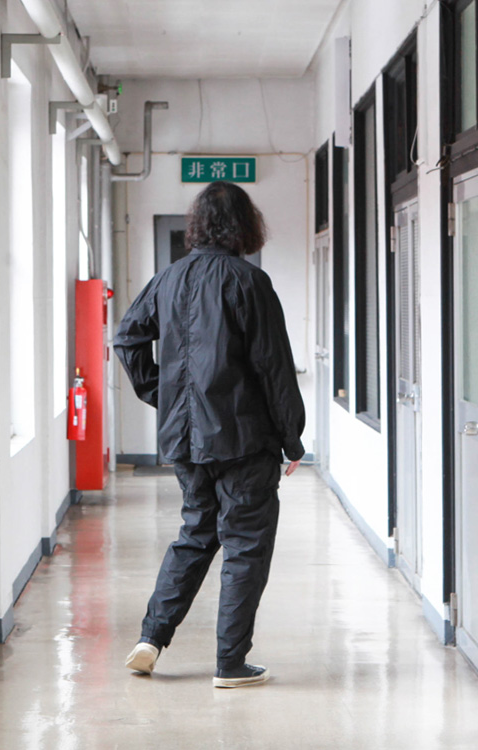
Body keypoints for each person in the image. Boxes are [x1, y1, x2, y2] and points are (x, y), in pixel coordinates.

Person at [113, 180, 305, 688]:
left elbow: (128, 339)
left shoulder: (167, 279)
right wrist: (292, 438)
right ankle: (230, 663)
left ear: (197, 225)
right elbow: (274, 367)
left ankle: (151, 638)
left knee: (195, 534)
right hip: (244, 441)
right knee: (245, 545)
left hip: (185, 439)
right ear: (246, 226)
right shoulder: (250, 282)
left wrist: (165, 396)